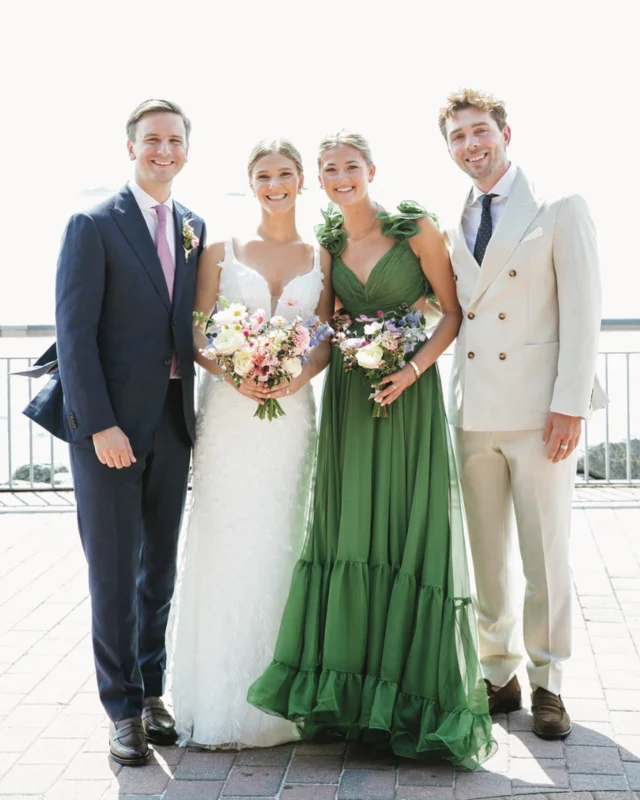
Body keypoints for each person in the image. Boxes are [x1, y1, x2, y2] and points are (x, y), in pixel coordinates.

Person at [247, 131, 495, 767]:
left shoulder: (415, 229)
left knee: (407, 533)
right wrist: (285, 371)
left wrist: (410, 369)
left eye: (348, 166)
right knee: (351, 534)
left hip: (406, 399)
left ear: (371, 170)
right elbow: (326, 327)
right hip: (350, 407)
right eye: (328, 168)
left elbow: (451, 311)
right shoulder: (329, 242)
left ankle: (412, 702)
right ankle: (354, 703)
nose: (338, 176)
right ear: (320, 180)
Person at [24, 99, 206, 765]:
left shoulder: (192, 226)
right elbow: (73, 334)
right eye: (152, 139)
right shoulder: (92, 223)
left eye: (175, 140)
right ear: (131, 146)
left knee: (159, 566)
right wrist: (97, 424)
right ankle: (121, 708)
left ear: (187, 148)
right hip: (108, 429)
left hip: (172, 420)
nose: (164, 150)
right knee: (112, 570)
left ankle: (151, 688)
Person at [439, 88, 605, 739]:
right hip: (473, 413)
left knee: (545, 554)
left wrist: (570, 406)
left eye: (480, 131)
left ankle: (549, 681)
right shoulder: (453, 219)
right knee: (486, 558)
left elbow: (584, 313)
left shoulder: (560, 208)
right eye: (457, 136)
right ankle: (498, 672)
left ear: (506, 132)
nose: (471, 145)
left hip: (541, 416)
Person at [167, 138, 333, 749]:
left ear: (300, 181)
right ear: (250, 182)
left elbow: (326, 334)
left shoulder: (323, 255)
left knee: (284, 537)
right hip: (231, 414)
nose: (275, 183)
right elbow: (194, 330)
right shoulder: (220, 251)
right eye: (264, 174)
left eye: (285, 173)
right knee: (227, 538)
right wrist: (233, 372)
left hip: (291, 414)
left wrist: (296, 376)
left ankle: (284, 697)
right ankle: (219, 700)